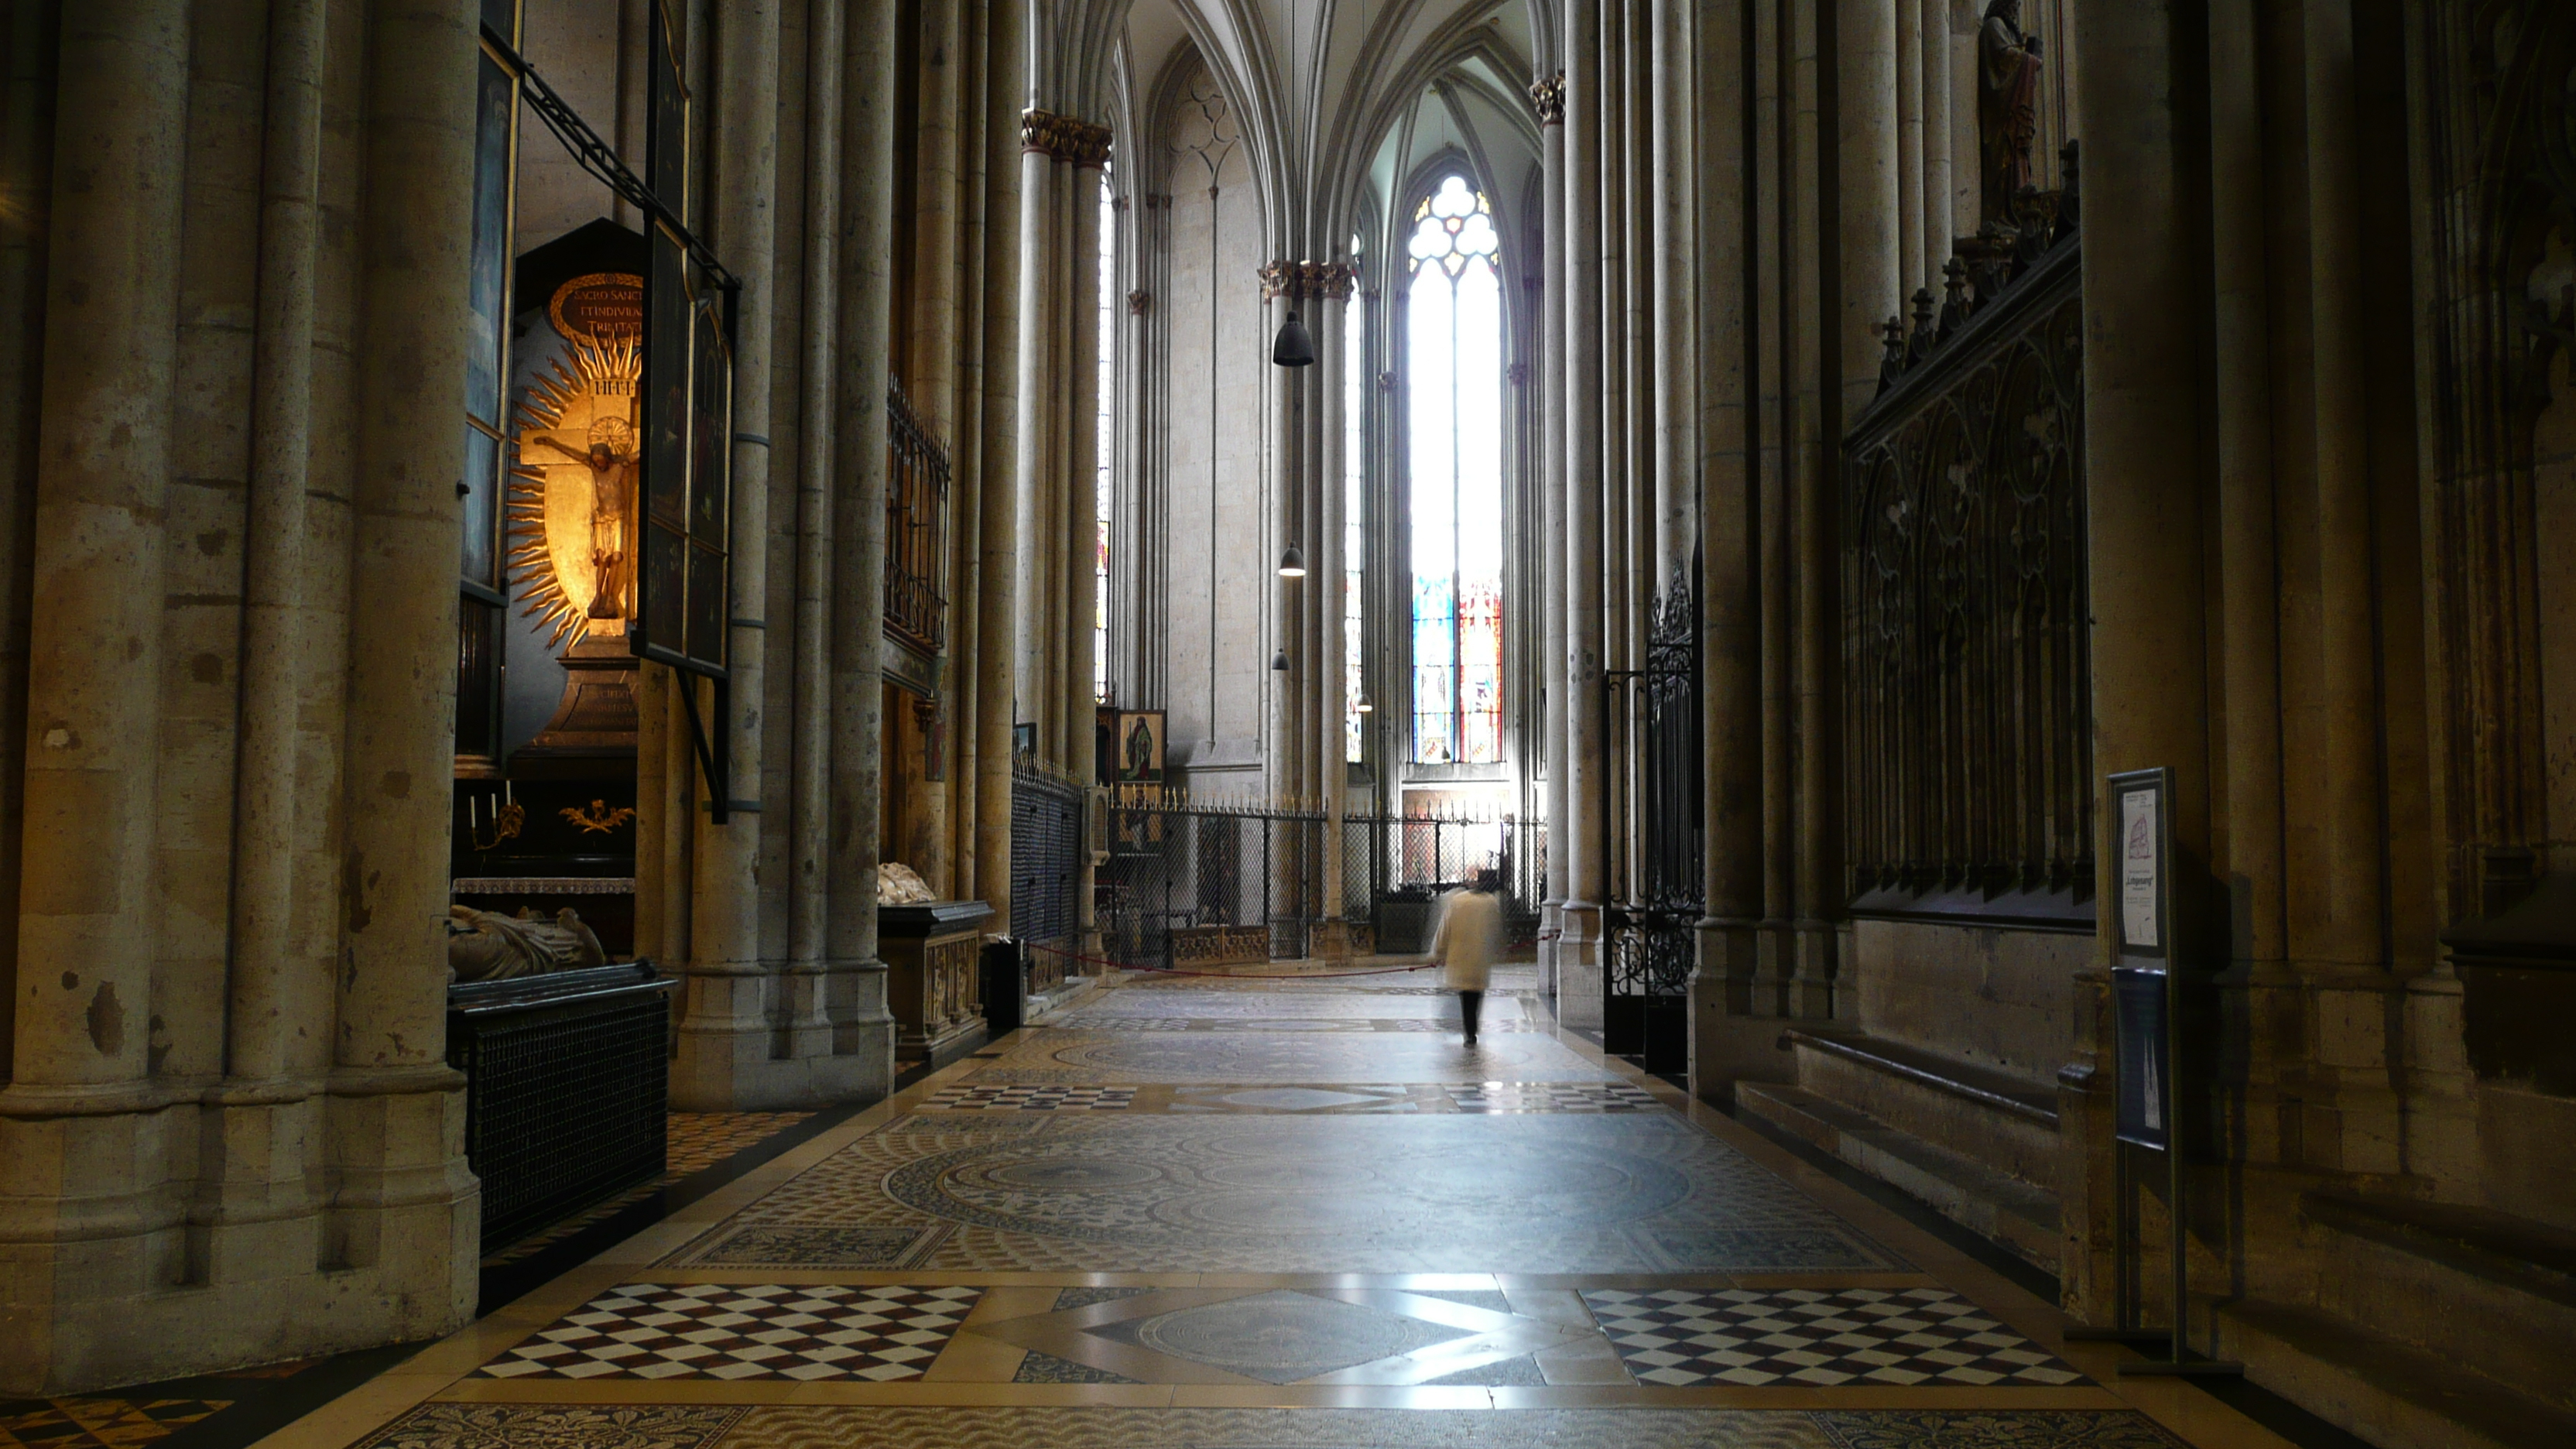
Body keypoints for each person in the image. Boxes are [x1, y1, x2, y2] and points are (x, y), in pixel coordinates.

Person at [1427, 868, 1503, 1046]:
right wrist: (1497, 951)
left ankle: (1469, 1031)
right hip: (1479, 960)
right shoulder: (1490, 903)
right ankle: (1472, 1029)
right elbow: (1496, 930)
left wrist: (1437, 952)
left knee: (1465, 997)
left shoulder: (1456, 902)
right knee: (1476, 995)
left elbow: (1444, 929)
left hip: (1460, 960)